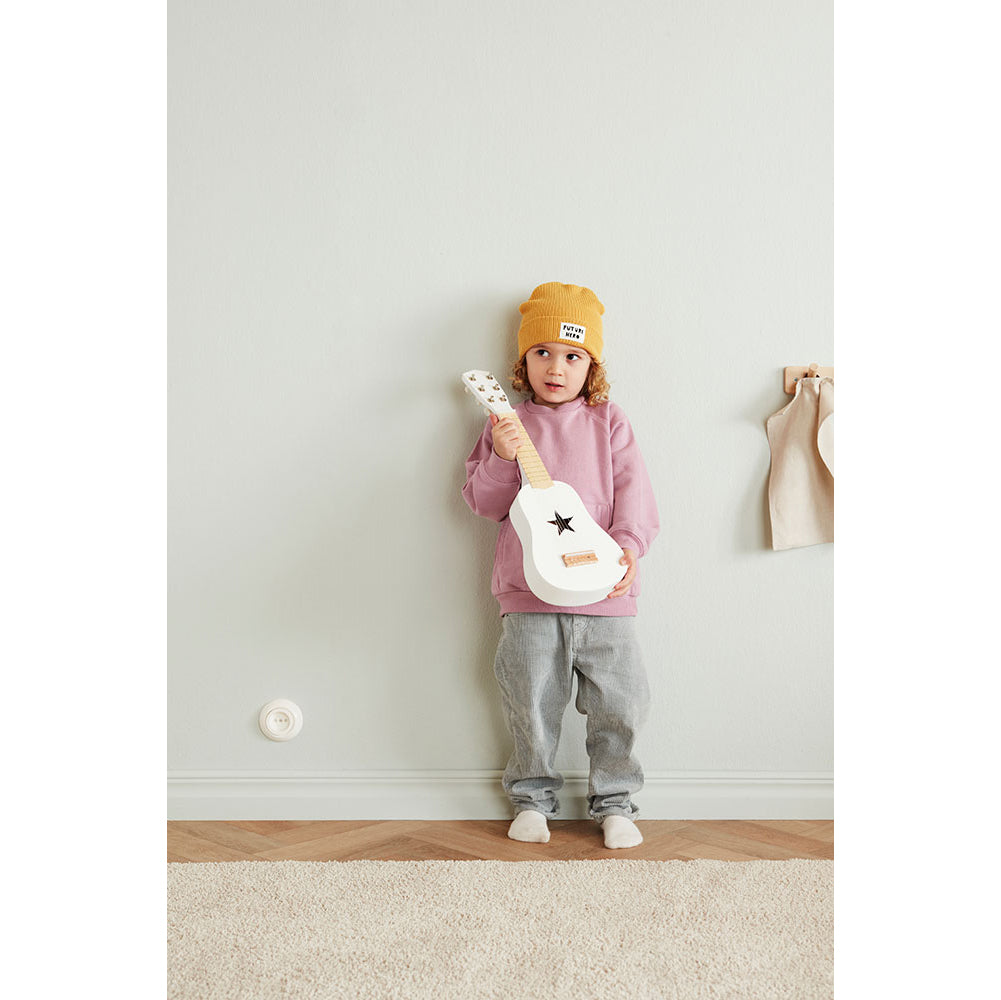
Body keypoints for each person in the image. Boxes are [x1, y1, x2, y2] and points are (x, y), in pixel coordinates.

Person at [461, 281, 660, 850]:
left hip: (605, 593)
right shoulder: (505, 424)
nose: (556, 367)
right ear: (522, 361)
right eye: (543, 352)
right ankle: (531, 801)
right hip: (529, 594)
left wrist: (628, 547)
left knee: (622, 703)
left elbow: (635, 494)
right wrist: (503, 456)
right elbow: (484, 503)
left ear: (591, 365)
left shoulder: (608, 421)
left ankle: (615, 803)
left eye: (573, 356)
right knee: (529, 702)